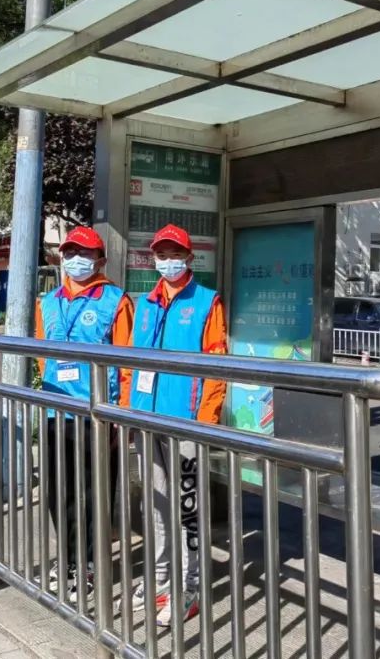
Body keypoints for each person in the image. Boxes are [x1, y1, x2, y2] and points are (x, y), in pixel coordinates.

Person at [124, 223, 227, 625]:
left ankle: (191, 588)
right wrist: (129, 412)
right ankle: (161, 580)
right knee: (155, 505)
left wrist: (204, 421)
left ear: (189, 258)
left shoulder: (206, 301)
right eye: (161, 254)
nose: (167, 261)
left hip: (185, 423)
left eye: (175, 254)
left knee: (187, 509)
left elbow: (217, 365)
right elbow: (131, 362)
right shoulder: (146, 304)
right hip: (147, 418)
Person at [35, 226, 134, 602]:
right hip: (55, 409)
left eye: (86, 253)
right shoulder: (48, 302)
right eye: (71, 252)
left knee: (93, 494)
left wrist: (121, 413)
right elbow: (43, 353)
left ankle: (90, 565)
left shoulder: (115, 300)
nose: (77, 260)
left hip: (96, 414)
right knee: (57, 491)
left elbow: (127, 361)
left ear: (101, 260)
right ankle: (69, 558)